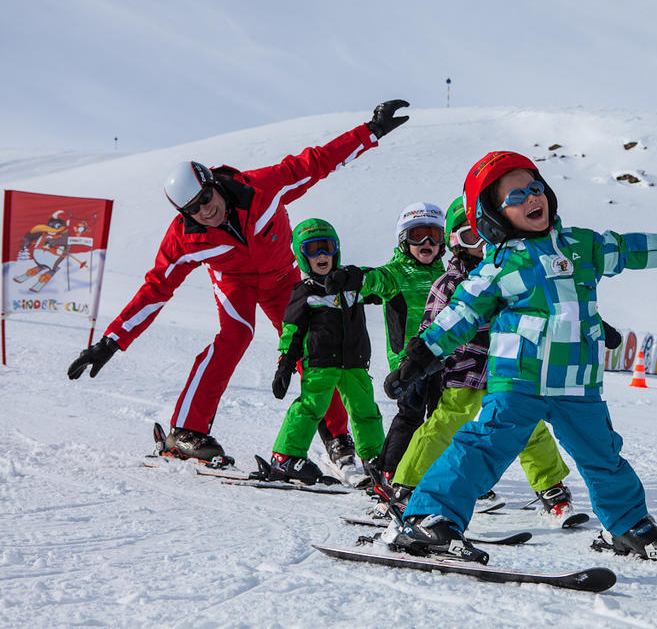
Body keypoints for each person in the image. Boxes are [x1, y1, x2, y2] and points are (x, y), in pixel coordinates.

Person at [382, 151, 657, 561]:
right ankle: (430, 518)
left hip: (577, 381)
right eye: (516, 196)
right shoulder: (499, 266)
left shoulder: (583, 246)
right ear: (492, 214)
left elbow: (629, 249)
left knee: (603, 455)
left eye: (536, 188)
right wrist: (421, 355)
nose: (533, 198)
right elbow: (462, 312)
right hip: (519, 378)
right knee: (484, 446)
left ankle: (628, 526)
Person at [66, 100, 410, 461]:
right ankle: (185, 430)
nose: (206, 210)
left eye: (206, 197)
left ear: (215, 184)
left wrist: (371, 131)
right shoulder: (186, 238)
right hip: (235, 282)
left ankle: (338, 437)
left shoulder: (261, 189)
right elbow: (156, 290)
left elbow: (316, 163)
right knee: (236, 335)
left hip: (283, 279)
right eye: (194, 208)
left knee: (316, 346)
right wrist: (111, 342)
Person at [382, 196, 575, 518]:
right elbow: (432, 329)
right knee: (443, 426)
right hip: (465, 372)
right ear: (455, 243)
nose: (482, 246)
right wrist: (417, 369)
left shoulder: (510, 279)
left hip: (506, 371)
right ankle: (406, 487)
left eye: (488, 237)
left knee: (527, 426)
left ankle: (552, 488)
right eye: (472, 238)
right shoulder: (448, 284)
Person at [266, 218, 384, 484]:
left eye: (327, 247)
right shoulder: (303, 292)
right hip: (320, 364)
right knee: (310, 408)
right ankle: (285, 457)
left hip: (354, 363)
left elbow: (384, 287)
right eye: (312, 249)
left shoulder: (352, 285)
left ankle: (376, 458)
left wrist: (360, 276)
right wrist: (285, 365)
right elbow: (292, 331)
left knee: (366, 410)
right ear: (301, 255)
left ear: (337, 250)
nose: (322, 255)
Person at [335, 202, 446, 479]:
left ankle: (440, 473)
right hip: (409, 363)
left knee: (443, 418)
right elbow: (375, 279)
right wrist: (354, 276)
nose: (427, 242)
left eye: (434, 235)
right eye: (417, 235)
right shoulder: (396, 274)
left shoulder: (448, 275)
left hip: (446, 359)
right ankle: (389, 470)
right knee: (411, 415)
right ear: (404, 240)